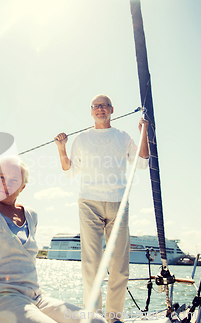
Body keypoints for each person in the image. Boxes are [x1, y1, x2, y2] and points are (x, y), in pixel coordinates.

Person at [0, 156, 106, 323]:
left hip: (34, 298)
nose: (6, 184)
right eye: (1, 177)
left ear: (22, 187)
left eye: (14, 180)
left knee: (96, 321)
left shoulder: (31, 216)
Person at [54, 95, 149, 322]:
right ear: (91, 111)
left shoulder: (122, 137)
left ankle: (114, 317)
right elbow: (69, 171)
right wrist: (61, 148)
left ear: (112, 110)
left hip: (118, 202)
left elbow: (142, 162)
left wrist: (143, 133)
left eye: (104, 105)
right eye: (96, 106)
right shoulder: (82, 139)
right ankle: (94, 317)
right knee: (91, 264)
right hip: (89, 203)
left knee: (119, 265)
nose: (100, 109)